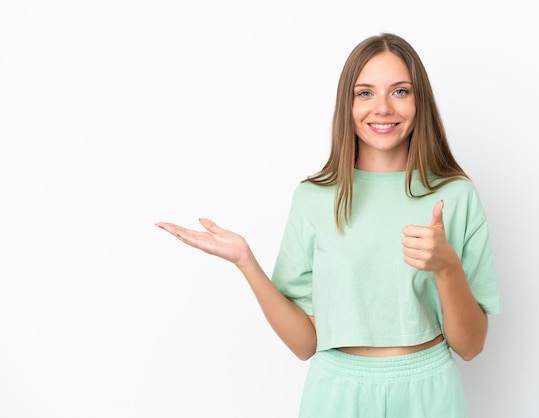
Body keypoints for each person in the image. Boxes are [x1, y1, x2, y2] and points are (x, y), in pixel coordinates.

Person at [156, 32, 501, 418]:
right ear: (347, 104)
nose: (383, 108)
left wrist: (446, 267)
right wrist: (246, 262)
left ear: (420, 101)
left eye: (400, 91)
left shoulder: (455, 195)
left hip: (429, 391)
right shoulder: (313, 199)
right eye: (365, 93)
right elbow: (305, 344)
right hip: (336, 392)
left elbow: (471, 346)